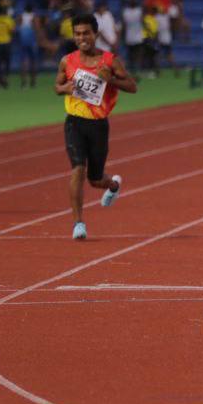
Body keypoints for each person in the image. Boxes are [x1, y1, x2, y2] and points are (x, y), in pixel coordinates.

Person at [54, 13, 137, 239]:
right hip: (74, 123)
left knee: (95, 178)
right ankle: (78, 224)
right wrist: (65, 89)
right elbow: (57, 86)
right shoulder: (67, 61)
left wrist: (110, 79)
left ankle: (112, 185)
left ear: (95, 34)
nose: (82, 38)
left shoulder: (109, 61)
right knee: (78, 170)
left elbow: (132, 86)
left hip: (99, 125)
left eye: (86, 33)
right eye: (78, 34)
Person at [17, 3, 43, 88]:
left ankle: (24, 82)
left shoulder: (21, 16)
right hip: (32, 41)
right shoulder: (34, 17)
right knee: (33, 62)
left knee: (24, 61)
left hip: (23, 40)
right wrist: (39, 40)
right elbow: (37, 29)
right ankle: (33, 82)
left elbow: (18, 28)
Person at [0, 2, 15, 88]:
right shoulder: (9, 20)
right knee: (6, 62)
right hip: (6, 43)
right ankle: (6, 79)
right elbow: (12, 31)